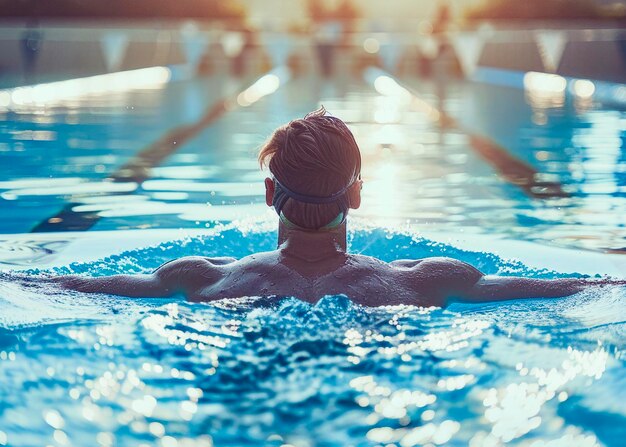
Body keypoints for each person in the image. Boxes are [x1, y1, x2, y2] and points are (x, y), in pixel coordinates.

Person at [7, 108, 625, 306]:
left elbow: (77, 282)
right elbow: (558, 286)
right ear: (356, 195)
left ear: (269, 193)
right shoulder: (421, 279)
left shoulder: (206, 276)